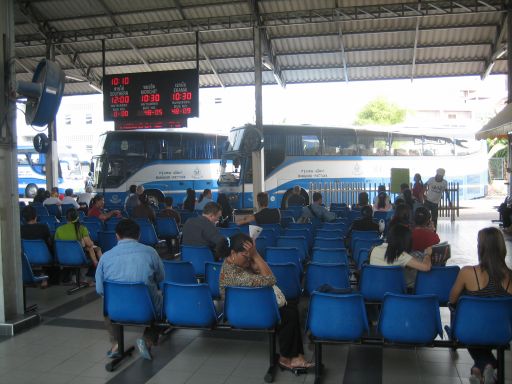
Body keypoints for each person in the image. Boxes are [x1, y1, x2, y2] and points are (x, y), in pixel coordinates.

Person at [217, 233, 313, 371]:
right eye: (246, 256)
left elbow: (259, 274)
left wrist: (251, 262)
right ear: (233, 253)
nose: (248, 260)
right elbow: (271, 279)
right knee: (288, 314)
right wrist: (256, 256)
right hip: (243, 312)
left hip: (244, 305)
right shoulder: (235, 275)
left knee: (290, 307)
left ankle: (296, 356)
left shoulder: (231, 263)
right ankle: (287, 358)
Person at [449, 227, 512, 384]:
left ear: (481, 247)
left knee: (472, 325)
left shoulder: (468, 272)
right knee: (485, 326)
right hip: (502, 331)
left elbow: (452, 299)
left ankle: (484, 365)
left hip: (471, 329)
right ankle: (479, 370)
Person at [96, 219, 165, 361]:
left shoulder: (105, 257)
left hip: (115, 310)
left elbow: (100, 289)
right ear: (139, 235)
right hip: (146, 309)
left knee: (106, 305)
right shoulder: (150, 252)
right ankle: (147, 340)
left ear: (117, 236)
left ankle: (116, 344)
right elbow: (161, 278)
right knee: (165, 304)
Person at [369, 224, 432, 288]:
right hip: (393, 293)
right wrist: (427, 254)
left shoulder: (374, 249)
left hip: (372, 289)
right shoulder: (401, 255)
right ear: (405, 241)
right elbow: (426, 267)